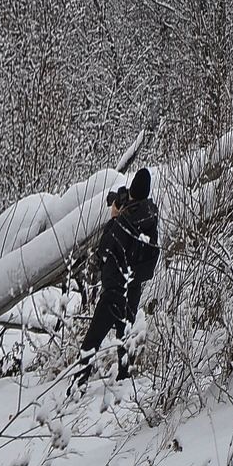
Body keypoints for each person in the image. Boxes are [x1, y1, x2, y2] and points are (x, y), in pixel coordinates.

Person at [72, 167, 160, 390]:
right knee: (125, 337)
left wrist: (114, 218)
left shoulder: (123, 223)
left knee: (92, 340)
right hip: (133, 288)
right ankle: (124, 380)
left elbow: (104, 250)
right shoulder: (149, 217)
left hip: (114, 290)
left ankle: (78, 385)